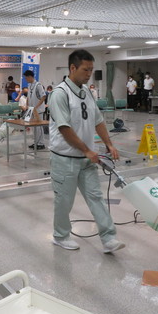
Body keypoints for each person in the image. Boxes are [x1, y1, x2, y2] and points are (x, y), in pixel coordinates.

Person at [48, 49, 125, 254]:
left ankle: (108, 238)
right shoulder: (60, 94)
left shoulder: (87, 92)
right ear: (72, 68)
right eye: (85, 69)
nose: (89, 74)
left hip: (87, 158)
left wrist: (109, 144)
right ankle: (60, 236)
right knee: (64, 201)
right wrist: (86, 150)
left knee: (96, 197)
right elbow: (64, 128)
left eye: (91, 69)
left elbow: (98, 120)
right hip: (65, 159)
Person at [23, 70, 47, 150]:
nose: (26, 79)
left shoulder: (38, 85)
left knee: (39, 127)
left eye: (26, 78)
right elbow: (28, 96)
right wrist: (27, 105)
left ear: (30, 77)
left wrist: (36, 106)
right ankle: (36, 142)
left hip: (38, 110)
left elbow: (43, 96)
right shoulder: (29, 85)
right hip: (31, 110)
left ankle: (41, 143)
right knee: (34, 127)